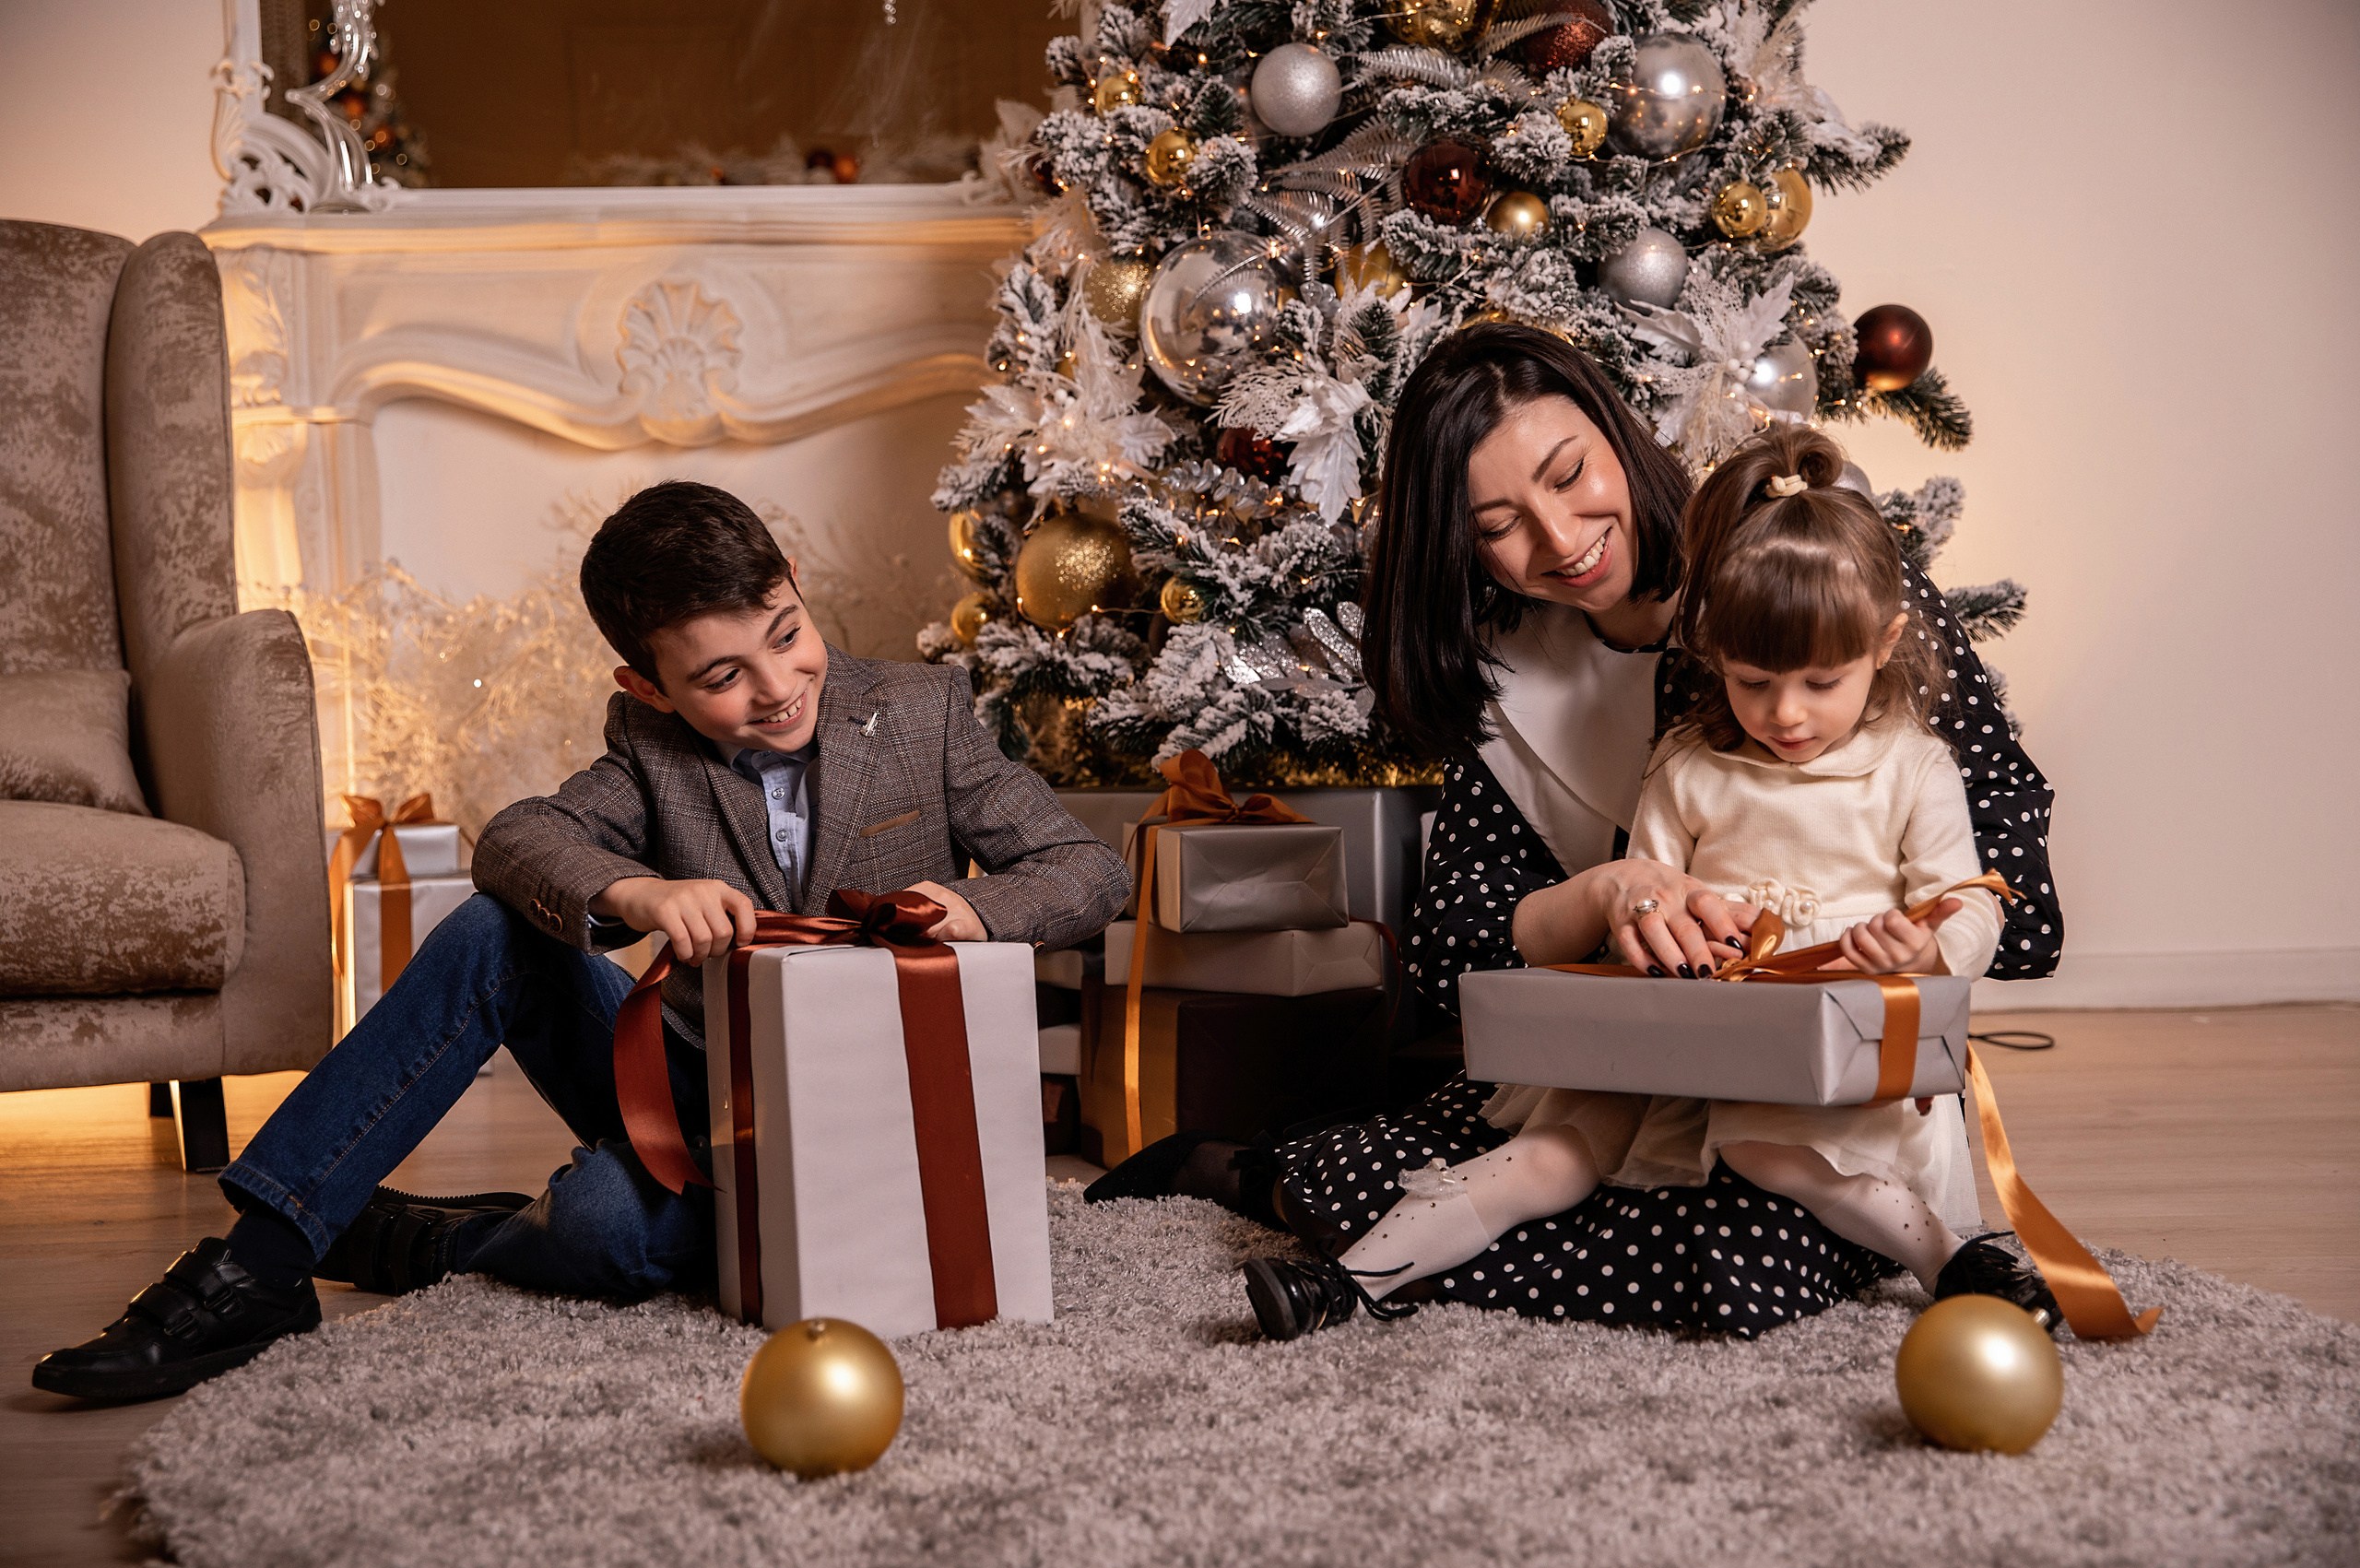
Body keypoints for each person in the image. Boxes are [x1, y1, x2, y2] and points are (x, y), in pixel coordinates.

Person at [33, 480, 1130, 1402]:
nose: (775, 689)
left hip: (884, 1124)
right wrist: (636, 892)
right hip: (700, 1104)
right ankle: (259, 1266)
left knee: (606, 1230)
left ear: (793, 585)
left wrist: (975, 910)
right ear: (645, 686)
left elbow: (1091, 870)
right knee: (492, 928)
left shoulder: (923, 712)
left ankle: (446, 1243)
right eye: (720, 678)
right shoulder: (651, 749)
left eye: (786, 637)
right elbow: (520, 838)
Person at [1092, 324, 2062, 1339]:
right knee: (1492, 1166)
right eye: (1497, 524)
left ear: (1619, 434)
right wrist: (1608, 895)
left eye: (1569, 475)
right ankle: (1265, 1185)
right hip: (1645, 1064)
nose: (1559, 540)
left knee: (1733, 1246)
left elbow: (2014, 906)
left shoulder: (1809, 577)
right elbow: (1454, 952)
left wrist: (1906, 951)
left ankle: (1346, 1226)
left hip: (1829, 1093)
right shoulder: (1529, 679)